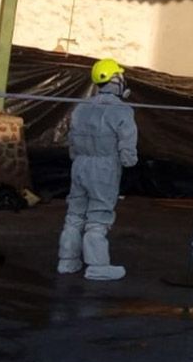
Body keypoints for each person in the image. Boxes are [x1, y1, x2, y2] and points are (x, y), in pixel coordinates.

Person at [57, 58, 140, 281]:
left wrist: (78, 158)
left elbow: (72, 139)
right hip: (104, 168)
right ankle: (97, 265)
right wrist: (128, 160)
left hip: (80, 165)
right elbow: (127, 144)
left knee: (74, 214)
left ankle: (67, 260)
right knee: (99, 216)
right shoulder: (122, 110)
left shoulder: (81, 107)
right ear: (115, 79)